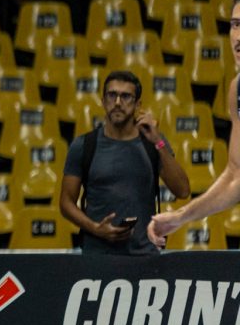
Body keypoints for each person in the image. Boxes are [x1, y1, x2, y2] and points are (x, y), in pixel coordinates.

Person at [60, 70, 190, 255]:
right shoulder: (84, 145)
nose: (118, 102)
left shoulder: (153, 143)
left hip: (144, 255)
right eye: (112, 95)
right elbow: (66, 202)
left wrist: (157, 141)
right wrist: (95, 228)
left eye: (126, 96)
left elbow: (182, 190)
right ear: (103, 101)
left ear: (138, 105)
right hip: (97, 256)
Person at [150, 0, 240, 248]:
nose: (238, 37)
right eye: (235, 25)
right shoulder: (236, 90)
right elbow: (235, 175)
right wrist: (180, 217)